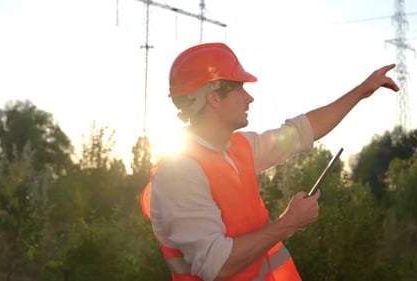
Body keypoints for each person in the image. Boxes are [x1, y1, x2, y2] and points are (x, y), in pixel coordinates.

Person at [141, 42, 399, 281]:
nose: (249, 98)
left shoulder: (239, 148)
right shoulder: (180, 173)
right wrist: (288, 223)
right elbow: (216, 265)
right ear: (213, 98)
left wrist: (362, 91)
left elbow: (301, 132)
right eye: (239, 88)